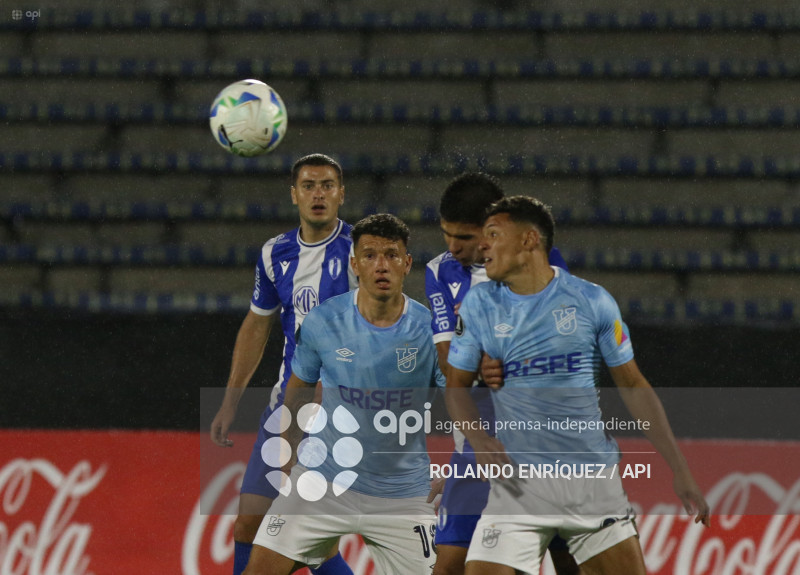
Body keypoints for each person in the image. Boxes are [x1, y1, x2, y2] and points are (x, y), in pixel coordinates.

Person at [445, 196, 710, 575]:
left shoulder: (591, 300)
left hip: (590, 484)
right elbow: (456, 387)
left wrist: (679, 468)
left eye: (493, 234)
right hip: (517, 486)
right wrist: (479, 439)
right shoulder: (479, 304)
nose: (482, 245)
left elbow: (633, 384)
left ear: (529, 240)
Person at [243, 214, 442, 575]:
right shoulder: (323, 321)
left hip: (403, 494)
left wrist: (461, 467)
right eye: (370, 255)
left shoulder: (429, 330)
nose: (381, 265)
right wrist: (288, 455)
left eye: (392, 255)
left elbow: (461, 401)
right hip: (323, 481)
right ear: (354, 264)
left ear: (407, 263)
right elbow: (298, 389)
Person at [424, 173, 579, 575]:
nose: (452, 246)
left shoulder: (542, 261)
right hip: (476, 442)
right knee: (449, 565)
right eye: (446, 234)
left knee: (567, 561)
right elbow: (447, 361)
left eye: (464, 236)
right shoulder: (439, 272)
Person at [210, 153, 355, 575]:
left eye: (327, 186)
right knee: (248, 525)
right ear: (294, 195)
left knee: (312, 541)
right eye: (309, 186)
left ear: (341, 194)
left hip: (341, 413)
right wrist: (230, 402)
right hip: (286, 408)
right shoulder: (275, 253)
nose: (318, 194)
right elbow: (257, 325)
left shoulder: (359, 251)